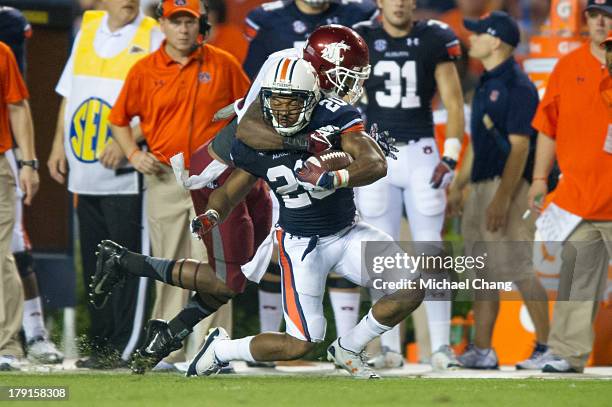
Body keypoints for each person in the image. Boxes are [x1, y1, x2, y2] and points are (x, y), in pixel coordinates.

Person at [187, 56, 424, 379]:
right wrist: (213, 213)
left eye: (293, 101)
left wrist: (335, 178)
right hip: (300, 245)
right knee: (300, 343)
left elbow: (375, 163)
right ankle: (221, 349)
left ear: (313, 99)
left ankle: (349, 347)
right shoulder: (255, 139)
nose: (283, 110)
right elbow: (231, 190)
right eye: (276, 101)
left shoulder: (335, 119)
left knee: (410, 288)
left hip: (347, 233)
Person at [108, 0, 250, 368]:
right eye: (176, 21)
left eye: (190, 21)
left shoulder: (224, 63)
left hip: (215, 180)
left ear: (200, 23)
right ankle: (164, 350)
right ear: (162, 24)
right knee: (168, 265)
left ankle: (213, 350)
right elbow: (119, 118)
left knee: (217, 268)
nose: (184, 29)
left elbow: (250, 111)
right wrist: (133, 153)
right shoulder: (143, 70)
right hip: (164, 178)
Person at [47, 0, 164, 369]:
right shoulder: (87, 30)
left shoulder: (153, 34)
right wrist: (56, 146)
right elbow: (70, 95)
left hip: (125, 173)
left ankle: (125, 347)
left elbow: (161, 102)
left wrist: (127, 140)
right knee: (96, 262)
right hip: (85, 170)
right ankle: (100, 346)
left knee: (126, 261)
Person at [353, 0, 464, 370]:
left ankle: (441, 347)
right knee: (381, 257)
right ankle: (389, 348)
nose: (399, 3)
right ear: (380, 3)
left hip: (421, 152)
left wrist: (450, 155)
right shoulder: (362, 36)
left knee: (430, 249)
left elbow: (453, 99)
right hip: (376, 154)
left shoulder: (434, 37)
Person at [446, 11, 551, 370]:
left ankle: (546, 347)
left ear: (496, 41)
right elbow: (478, 143)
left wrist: (502, 199)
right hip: (481, 187)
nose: (470, 38)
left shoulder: (518, 87)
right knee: (482, 271)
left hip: (508, 188)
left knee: (518, 267)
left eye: (478, 34)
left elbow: (520, 148)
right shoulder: (487, 80)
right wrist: (460, 185)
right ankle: (483, 350)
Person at [527, 0, 612, 374]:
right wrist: (539, 178)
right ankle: (567, 352)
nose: (599, 21)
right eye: (593, 14)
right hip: (579, 197)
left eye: (607, 14)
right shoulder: (568, 65)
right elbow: (549, 125)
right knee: (577, 278)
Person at [0, 6, 63, 364]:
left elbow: (18, 105)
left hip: (3, 153)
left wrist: (27, 161)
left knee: (12, 248)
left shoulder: (6, 34)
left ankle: (29, 335)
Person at [0, 41, 39, 371]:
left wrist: (28, 162)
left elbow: (17, 105)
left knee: (1, 255)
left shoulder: (2, 52)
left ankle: (8, 345)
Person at [243, 0, 378, 79]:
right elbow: (253, 76)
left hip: (343, 100)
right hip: (288, 103)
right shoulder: (265, 18)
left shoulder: (361, 12)